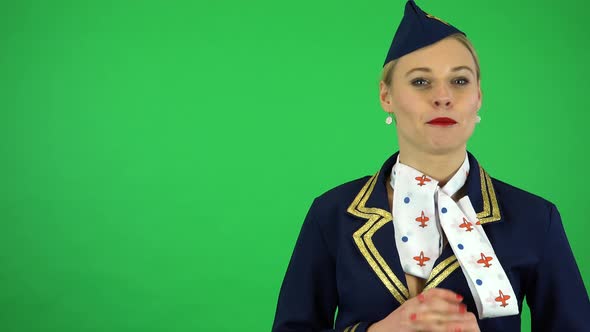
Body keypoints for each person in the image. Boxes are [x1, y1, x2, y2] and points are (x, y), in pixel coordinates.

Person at [271, 1, 590, 331]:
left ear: (478, 96)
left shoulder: (536, 219)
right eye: (421, 82)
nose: (443, 97)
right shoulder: (333, 214)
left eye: (460, 81)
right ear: (386, 95)